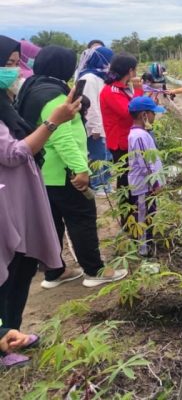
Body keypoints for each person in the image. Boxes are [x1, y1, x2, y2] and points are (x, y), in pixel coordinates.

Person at [16, 46, 128, 289]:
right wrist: (80, 169)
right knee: (82, 219)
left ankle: (54, 272)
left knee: (52, 223)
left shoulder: (31, 87)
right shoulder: (55, 97)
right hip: (63, 171)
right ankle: (94, 270)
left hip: (42, 173)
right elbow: (62, 137)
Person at [0, 40, 81, 344]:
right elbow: (13, 154)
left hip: (20, 198)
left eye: (15, 62)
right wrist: (53, 122)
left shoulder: (8, 100)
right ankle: (4, 341)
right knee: (7, 272)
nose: (13, 70)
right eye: (7, 63)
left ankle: (12, 333)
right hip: (7, 203)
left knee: (21, 267)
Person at [99, 53, 143, 229]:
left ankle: (134, 217)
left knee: (132, 181)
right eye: (135, 69)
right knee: (126, 183)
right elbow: (129, 112)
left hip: (128, 141)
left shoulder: (121, 88)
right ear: (130, 70)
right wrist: (139, 91)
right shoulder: (112, 90)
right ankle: (128, 222)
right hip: (121, 143)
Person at [127, 96, 166, 257]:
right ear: (144, 115)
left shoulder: (142, 133)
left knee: (150, 214)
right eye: (152, 113)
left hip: (148, 185)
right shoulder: (139, 136)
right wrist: (155, 184)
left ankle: (147, 244)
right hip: (144, 186)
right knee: (143, 216)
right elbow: (145, 161)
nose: (154, 116)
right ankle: (144, 250)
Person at [78, 45, 114, 194]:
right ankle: (96, 184)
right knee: (96, 155)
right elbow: (90, 105)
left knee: (105, 156)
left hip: (103, 124)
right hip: (94, 126)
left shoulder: (100, 77)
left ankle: (105, 183)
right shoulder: (89, 78)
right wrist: (96, 128)